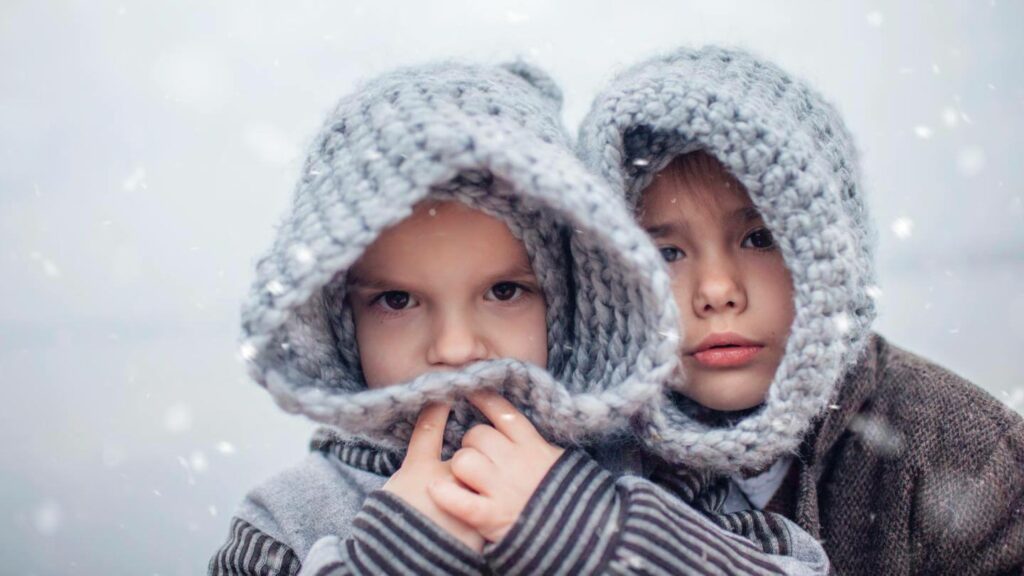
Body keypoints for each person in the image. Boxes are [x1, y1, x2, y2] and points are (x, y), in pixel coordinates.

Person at [209, 59, 831, 575]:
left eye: (504, 291)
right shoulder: (288, 522)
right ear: (338, 321)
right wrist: (391, 562)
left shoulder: (655, 474)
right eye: (397, 301)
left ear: (566, 299)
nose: (455, 349)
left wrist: (593, 531)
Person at [576, 45, 1024, 574]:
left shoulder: (966, 453)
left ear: (832, 250)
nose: (717, 290)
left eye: (760, 237)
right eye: (666, 252)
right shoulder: (570, 458)